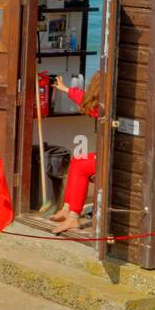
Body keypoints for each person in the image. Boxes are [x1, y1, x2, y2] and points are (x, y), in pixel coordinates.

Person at [49, 72, 104, 235]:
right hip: (106, 155)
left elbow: (85, 100)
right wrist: (65, 88)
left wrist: (66, 89)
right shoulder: (103, 105)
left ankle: (74, 216)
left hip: (113, 160)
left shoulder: (106, 107)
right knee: (77, 160)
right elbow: (85, 100)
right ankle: (67, 208)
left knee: (82, 168)